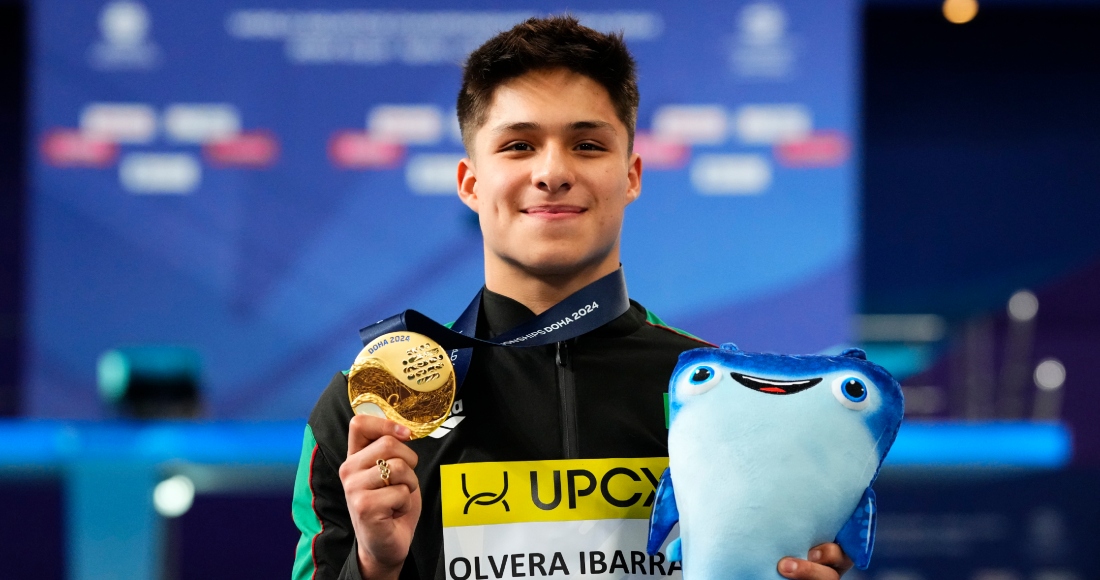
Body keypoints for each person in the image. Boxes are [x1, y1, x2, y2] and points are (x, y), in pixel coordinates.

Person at [292, 15, 853, 580]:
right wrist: (374, 567)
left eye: (587, 145)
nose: (553, 172)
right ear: (470, 183)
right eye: (518, 145)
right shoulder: (370, 410)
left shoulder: (725, 398)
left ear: (631, 176)